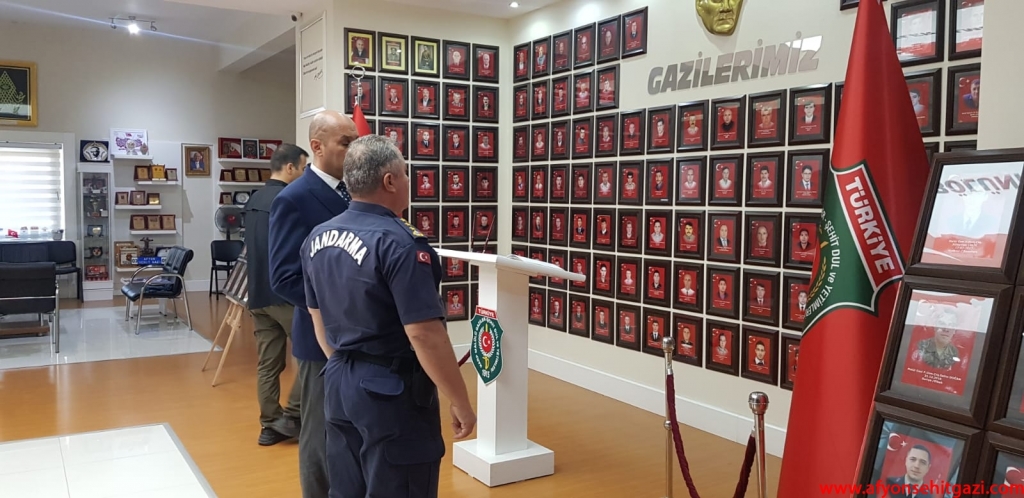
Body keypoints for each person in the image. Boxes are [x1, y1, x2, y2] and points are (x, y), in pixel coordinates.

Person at [301, 135, 476, 497]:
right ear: (390, 181)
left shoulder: (318, 236)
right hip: (391, 390)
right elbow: (424, 334)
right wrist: (459, 401)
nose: (409, 182)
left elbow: (316, 315)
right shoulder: (400, 243)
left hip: (339, 377)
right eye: (406, 174)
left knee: (347, 487)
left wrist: (345, 365)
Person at [269, 110, 357, 498]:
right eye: (345, 143)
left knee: (351, 429)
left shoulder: (357, 192)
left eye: (356, 141)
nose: (354, 150)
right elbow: (284, 277)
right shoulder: (294, 198)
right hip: (321, 338)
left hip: (362, 337)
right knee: (320, 435)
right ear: (317, 147)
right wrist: (333, 311)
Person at [244, 143, 308, 446]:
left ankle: (269, 424)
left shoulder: (254, 199)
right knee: (311, 356)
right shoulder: (288, 200)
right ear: (290, 167)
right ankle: (291, 417)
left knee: (268, 364)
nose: (305, 175)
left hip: (257, 294)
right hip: (284, 294)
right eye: (304, 168)